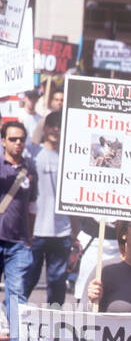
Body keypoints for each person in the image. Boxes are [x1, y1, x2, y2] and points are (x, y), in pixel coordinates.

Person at [27, 114, 75, 308]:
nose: (56, 129)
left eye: (60, 126)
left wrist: (75, 227)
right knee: (28, 279)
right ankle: (12, 317)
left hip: (62, 230)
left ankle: (53, 324)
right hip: (36, 229)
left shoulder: (70, 156)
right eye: (52, 126)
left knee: (57, 284)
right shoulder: (32, 152)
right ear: (45, 128)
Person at [0, 120, 38, 341]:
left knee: (17, 293)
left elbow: (33, 207)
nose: (18, 143)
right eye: (13, 139)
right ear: (3, 141)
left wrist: (29, 237)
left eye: (21, 139)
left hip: (19, 244)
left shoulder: (30, 171)